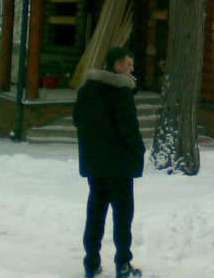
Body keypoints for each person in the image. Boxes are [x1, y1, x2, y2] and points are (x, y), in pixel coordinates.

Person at [73, 47, 145, 278]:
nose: (132, 70)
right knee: (122, 216)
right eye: (128, 65)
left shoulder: (87, 90)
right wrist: (139, 150)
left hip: (95, 164)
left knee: (95, 212)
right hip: (119, 166)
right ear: (116, 66)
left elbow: (77, 120)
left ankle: (91, 263)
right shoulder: (121, 93)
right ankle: (123, 264)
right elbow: (129, 130)